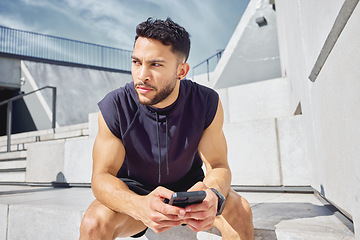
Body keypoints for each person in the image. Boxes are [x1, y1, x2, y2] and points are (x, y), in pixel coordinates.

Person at [80, 17, 254, 240]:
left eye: (155, 64)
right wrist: (138, 205)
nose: (142, 75)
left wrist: (212, 193)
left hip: (191, 193)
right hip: (137, 192)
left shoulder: (206, 101)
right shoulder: (115, 106)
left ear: (181, 70)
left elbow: (219, 165)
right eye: (136, 62)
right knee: (93, 223)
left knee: (241, 210)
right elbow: (101, 177)